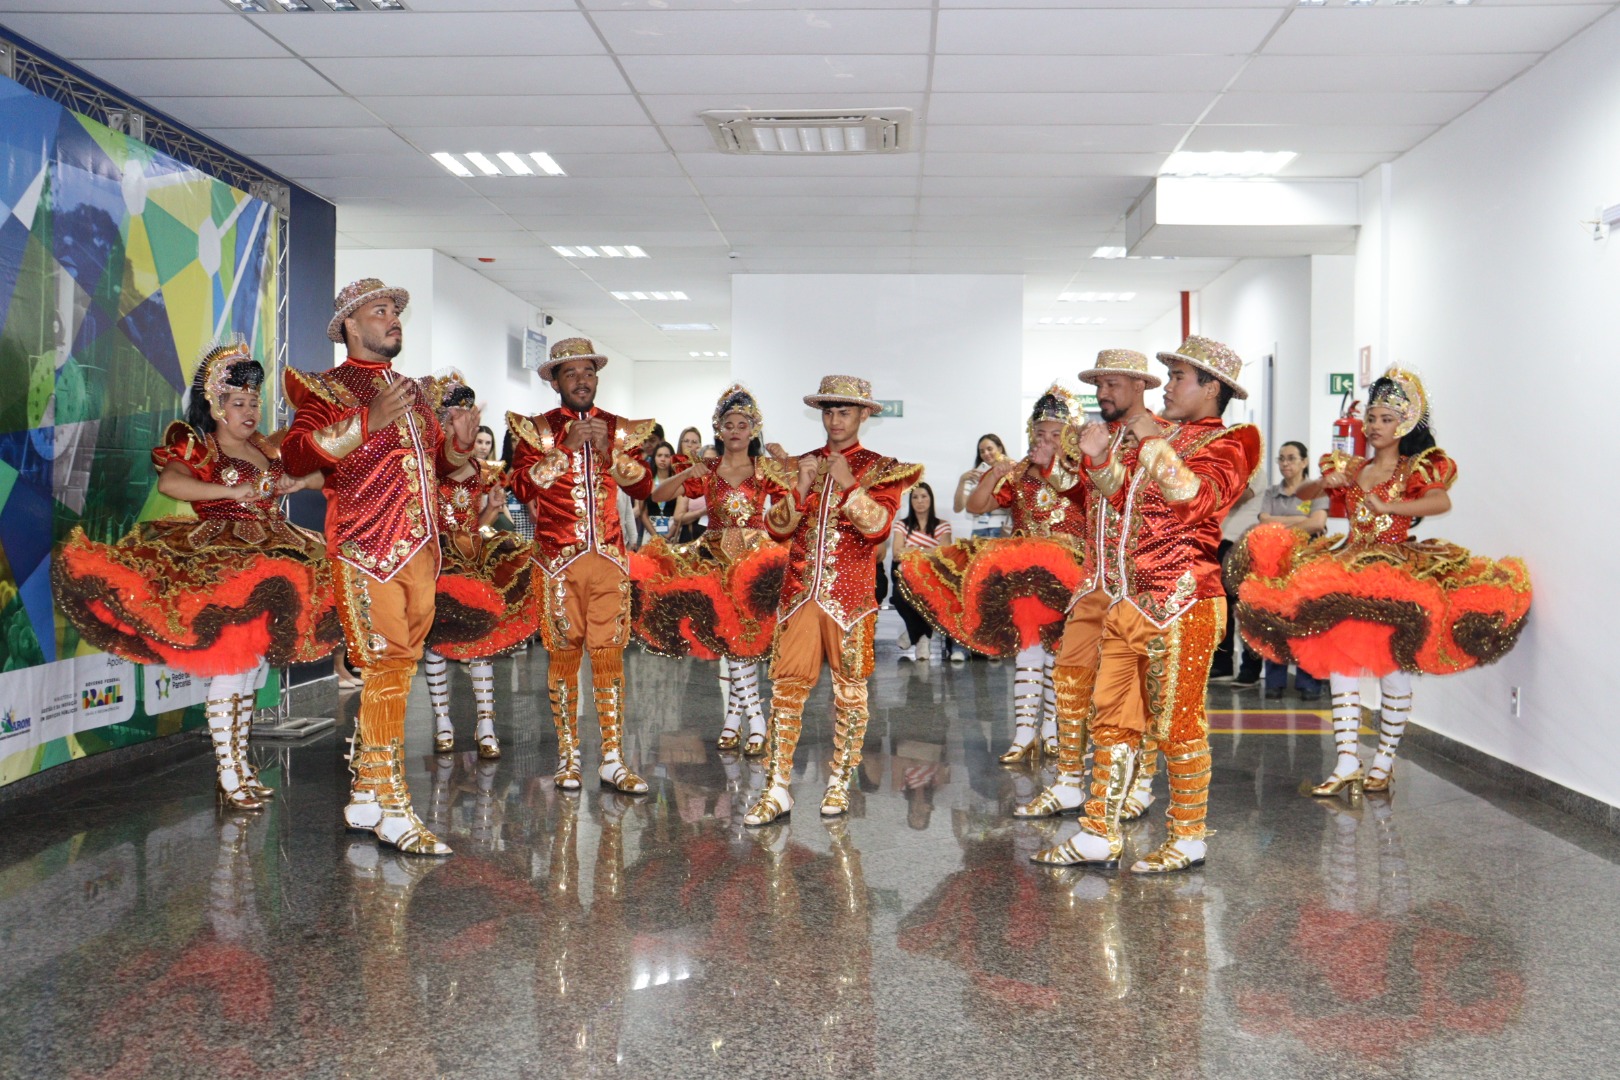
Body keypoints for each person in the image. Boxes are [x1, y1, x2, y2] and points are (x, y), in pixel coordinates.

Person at [53, 339, 339, 810]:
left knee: (252, 670)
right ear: (216, 404)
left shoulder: (267, 450)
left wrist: (297, 481)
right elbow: (170, 482)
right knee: (233, 667)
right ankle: (228, 774)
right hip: (221, 565)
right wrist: (232, 490)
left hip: (274, 557)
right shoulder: (198, 445)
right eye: (240, 403)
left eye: (255, 403)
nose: (250, 411)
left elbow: (325, 476)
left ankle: (241, 766)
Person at [1233, 368, 1531, 798]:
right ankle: (1347, 762)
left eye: (1385, 418)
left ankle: (1385, 762)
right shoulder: (1354, 467)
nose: (1374, 426)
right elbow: (1306, 494)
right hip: (1349, 569)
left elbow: (1440, 501)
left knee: (1392, 667)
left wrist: (1389, 503)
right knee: (1341, 665)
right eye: (1371, 418)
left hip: (1395, 576)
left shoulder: (1418, 466)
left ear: (1405, 424)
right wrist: (1325, 482)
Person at [1032, 337, 1261, 873]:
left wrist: (1153, 439)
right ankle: (1097, 832)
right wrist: (1095, 461)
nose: (1170, 387)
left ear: (1211, 388)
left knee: (1177, 724)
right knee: (1112, 720)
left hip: (1184, 600)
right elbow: (1118, 496)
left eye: (1179, 376)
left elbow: (1194, 497)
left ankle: (1189, 837)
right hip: (1130, 599)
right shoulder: (1156, 435)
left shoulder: (1234, 440)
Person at [282, 278, 479, 856]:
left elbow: (436, 463)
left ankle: (366, 795)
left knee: (397, 670)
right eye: (379, 311)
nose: (393, 319)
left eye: (395, 311)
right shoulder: (325, 388)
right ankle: (394, 805)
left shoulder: (415, 391)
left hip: (421, 550)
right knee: (388, 668)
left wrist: (459, 447)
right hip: (367, 551)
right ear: (348, 325)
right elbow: (296, 453)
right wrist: (364, 421)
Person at [744, 375, 921, 825]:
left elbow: (878, 529)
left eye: (844, 411)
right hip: (800, 593)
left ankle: (841, 782)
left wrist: (847, 486)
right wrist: (800, 491)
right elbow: (777, 529)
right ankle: (778, 787)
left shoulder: (883, 469)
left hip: (851, 599)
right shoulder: (799, 463)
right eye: (828, 411)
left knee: (850, 692)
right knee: (786, 689)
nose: (835, 420)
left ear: (864, 416)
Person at [1010, 352, 1165, 821]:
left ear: (1139, 386)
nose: (1103, 394)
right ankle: (1071, 782)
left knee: (1144, 688)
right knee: (1071, 679)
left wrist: (1098, 459)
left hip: (1141, 584)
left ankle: (1143, 782)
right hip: (1094, 581)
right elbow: (1085, 497)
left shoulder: (1160, 436)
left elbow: (1158, 501)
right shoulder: (1103, 436)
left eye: (1112, 384)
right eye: (1098, 385)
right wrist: (1058, 471)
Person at [899, 385, 1090, 762]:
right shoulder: (1019, 471)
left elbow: (1080, 496)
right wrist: (993, 474)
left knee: (1060, 655)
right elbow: (976, 504)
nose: (1047, 440)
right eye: (1040, 433)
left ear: (1071, 436)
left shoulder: (1083, 469)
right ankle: (1022, 735)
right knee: (1029, 652)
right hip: (1025, 575)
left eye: (1056, 433)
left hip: (1071, 571)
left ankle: (1053, 733)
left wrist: (1048, 463)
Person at [508, 337, 657, 794]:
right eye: (570, 373)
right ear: (555, 380)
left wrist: (612, 457)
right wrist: (564, 450)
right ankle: (569, 757)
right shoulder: (537, 430)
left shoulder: (618, 427)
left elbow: (644, 486)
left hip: (610, 560)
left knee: (610, 657)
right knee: (564, 657)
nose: (581, 381)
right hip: (557, 565)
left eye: (588, 373)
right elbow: (520, 487)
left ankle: (612, 758)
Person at [630, 385, 789, 755]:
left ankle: (743, 722)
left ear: (753, 429)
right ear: (719, 429)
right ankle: (750, 721)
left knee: (742, 643)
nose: (735, 430)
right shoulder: (709, 468)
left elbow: (792, 503)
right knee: (730, 641)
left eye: (742, 424)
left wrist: (789, 468)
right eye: (728, 424)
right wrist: (686, 475)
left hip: (755, 562)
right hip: (715, 561)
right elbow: (657, 497)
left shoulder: (765, 469)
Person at [419, 373, 539, 761]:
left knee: (480, 642)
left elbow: (480, 522)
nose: (466, 420)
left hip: (474, 557)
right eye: (458, 414)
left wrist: (490, 509)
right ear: (442, 419)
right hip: (437, 560)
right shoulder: (427, 463)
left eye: (469, 413)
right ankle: (442, 722)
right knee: (436, 643)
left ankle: (485, 724)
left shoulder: (480, 467)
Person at [1255, 440, 1328, 700]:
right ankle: (1275, 681)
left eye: (1291, 458)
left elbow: (1317, 523)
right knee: (1274, 622)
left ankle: (1309, 682)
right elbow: (1263, 523)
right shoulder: (1271, 493)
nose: (1285, 464)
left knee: (1307, 622)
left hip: (1307, 565)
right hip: (1275, 565)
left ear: (1304, 462)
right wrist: (1300, 521)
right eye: (1281, 459)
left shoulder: (1317, 491)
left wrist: (1279, 523)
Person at [890, 482, 953, 661]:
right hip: (906, 575)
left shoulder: (943, 526)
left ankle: (913, 636)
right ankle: (922, 637)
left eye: (924, 496)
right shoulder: (902, 525)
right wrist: (928, 551)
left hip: (933, 577)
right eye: (915, 497)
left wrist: (912, 551)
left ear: (931, 499)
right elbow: (896, 554)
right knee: (900, 597)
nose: (919, 501)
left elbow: (944, 553)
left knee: (931, 597)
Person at [953, 433, 1011, 538]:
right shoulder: (974, 475)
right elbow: (958, 508)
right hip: (978, 531)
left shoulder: (1011, 472)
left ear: (1000, 448)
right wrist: (962, 481)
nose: (986, 453)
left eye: (989, 449)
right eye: (982, 451)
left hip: (1002, 529)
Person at [673, 426, 712, 542]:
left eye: (694, 442)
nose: (690, 445)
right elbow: (678, 517)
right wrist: (702, 512)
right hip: (690, 536)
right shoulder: (690, 480)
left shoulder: (722, 482)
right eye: (686, 441)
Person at [638, 442, 679, 546]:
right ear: (654, 458)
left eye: (667, 456)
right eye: (659, 455)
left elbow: (682, 511)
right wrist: (656, 537)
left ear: (672, 458)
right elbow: (643, 513)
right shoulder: (646, 481)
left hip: (672, 530)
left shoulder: (678, 482)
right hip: (651, 530)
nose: (663, 459)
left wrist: (669, 535)